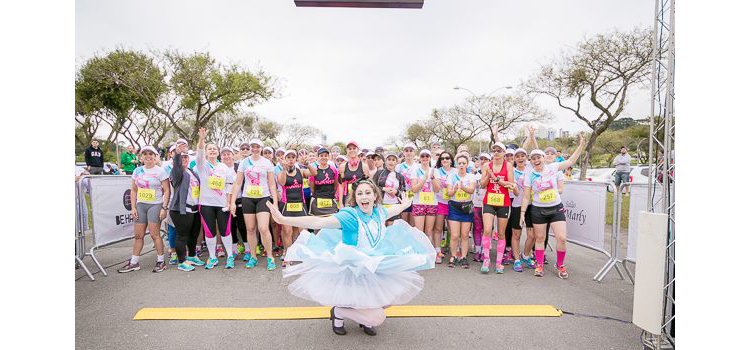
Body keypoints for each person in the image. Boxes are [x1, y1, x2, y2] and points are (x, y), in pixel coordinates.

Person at [267, 179, 435, 336]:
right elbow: (317, 222)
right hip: (351, 266)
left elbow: (395, 209)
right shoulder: (350, 216)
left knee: (390, 297)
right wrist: (283, 218)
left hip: (374, 264)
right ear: (355, 197)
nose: (364, 197)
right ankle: (338, 312)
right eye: (359, 194)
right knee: (376, 317)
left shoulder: (380, 212)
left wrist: (404, 204)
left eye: (368, 193)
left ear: (375, 195)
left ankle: (363, 313)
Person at [520, 134, 585, 278]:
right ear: (530, 161)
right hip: (538, 210)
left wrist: (581, 145)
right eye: (533, 158)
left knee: (561, 238)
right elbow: (525, 197)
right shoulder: (529, 175)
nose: (536, 160)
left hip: (556, 208)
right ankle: (539, 265)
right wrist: (522, 214)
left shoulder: (553, 168)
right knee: (540, 239)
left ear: (543, 158)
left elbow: (570, 161)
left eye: (539, 157)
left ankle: (560, 265)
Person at [117, 146, 170, 273]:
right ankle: (134, 262)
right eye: (145, 154)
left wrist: (164, 207)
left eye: (150, 154)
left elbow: (167, 190)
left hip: (155, 205)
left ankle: (161, 261)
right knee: (138, 235)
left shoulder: (160, 171)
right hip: (141, 205)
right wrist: (133, 207)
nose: (148, 156)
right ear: (141, 157)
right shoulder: (137, 171)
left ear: (155, 156)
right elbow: (134, 190)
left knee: (154, 234)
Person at [230, 138, 279, 270]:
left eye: (257, 147)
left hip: (263, 197)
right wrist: (232, 201)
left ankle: (270, 257)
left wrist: (275, 202)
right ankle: (253, 257)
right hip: (248, 198)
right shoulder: (243, 163)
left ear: (261, 148)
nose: (255, 149)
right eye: (253, 146)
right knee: (251, 229)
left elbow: (272, 184)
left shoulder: (267, 163)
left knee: (263, 228)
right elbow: (238, 183)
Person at [194, 128, 235, 269]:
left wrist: (229, 203)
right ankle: (212, 257)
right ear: (206, 152)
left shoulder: (224, 167)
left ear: (218, 152)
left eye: (214, 149)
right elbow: (199, 154)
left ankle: (230, 256)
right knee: (209, 231)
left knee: (225, 231)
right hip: (205, 204)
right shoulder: (202, 165)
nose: (212, 150)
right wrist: (202, 139)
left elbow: (229, 186)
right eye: (209, 149)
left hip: (222, 204)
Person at [167, 142, 205, 272]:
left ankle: (192, 255)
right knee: (182, 236)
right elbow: (177, 166)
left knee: (193, 234)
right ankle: (182, 261)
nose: (184, 159)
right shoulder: (176, 172)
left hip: (194, 209)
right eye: (181, 157)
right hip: (181, 209)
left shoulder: (192, 172)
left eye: (186, 157)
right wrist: (177, 153)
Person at [479, 142, 515, 274]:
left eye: (499, 150)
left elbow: (510, 184)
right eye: (494, 150)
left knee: (501, 233)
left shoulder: (509, 166)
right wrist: (488, 175)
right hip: (489, 201)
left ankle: (499, 262)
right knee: (487, 230)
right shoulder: (486, 165)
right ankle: (486, 259)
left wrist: (496, 178)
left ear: (504, 152)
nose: (496, 152)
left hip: (503, 202)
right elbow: (482, 185)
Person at [277, 149, 312, 266]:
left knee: (303, 232)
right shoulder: (281, 172)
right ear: (285, 159)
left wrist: (307, 164)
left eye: (293, 157)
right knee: (287, 231)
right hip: (287, 205)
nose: (291, 159)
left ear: (295, 159)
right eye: (288, 157)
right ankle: (288, 255)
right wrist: (283, 169)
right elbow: (281, 182)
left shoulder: (301, 172)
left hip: (300, 205)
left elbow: (314, 173)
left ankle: (302, 253)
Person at [445, 154, 475, 268]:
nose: (461, 165)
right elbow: (448, 193)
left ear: (467, 165)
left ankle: (463, 257)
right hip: (454, 207)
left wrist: (463, 187)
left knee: (465, 235)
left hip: (467, 207)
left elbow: (471, 190)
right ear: (456, 165)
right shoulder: (451, 176)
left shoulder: (471, 176)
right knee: (454, 235)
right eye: (459, 163)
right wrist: (454, 189)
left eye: (464, 163)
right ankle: (453, 256)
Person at [410, 149, 440, 260]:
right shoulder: (415, 170)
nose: (425, 158)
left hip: (432, 203)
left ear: (429, 158)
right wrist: (424, 178)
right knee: (419, 231)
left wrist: (431, 177)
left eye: (427, 156)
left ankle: (428, 255)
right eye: (422, 156)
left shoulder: (435, 171)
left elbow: (437, 189)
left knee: (428, 231)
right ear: (420, 157)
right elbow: (414, 189)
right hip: (418, 203)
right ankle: (419, 254)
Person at [509, 148, 536, 272]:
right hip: (517, 205)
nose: (520, 158)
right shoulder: (512, 172)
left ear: (526, 158)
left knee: (532, 235)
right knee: (516, 234)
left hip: (531, 205)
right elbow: (515, 193)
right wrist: (514, 188)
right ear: (514, 159)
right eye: (517, 156)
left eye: (523, 156)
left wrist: (531, 136)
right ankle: (517, 259)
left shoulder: (531, 170)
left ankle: (525, 255)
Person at [371, 152, 406, 226]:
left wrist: (396, 192)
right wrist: (383, 188)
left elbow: (403, 190)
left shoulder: (400, 176)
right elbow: (372, 187)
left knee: (391, 227)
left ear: (396, 162)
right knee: (381, 226)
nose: (391, 162)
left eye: (393, 160)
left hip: (394, 205)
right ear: (385, 161)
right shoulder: (379, 173)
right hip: (380, 204)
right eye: (389, 159)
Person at [434, 151, 456, 263]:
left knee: (453, 230)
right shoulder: (437, 171)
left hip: (453, 203)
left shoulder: (456, 171)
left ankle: (454, 252)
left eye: (447, 158)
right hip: (440, 201)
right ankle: (437, 251)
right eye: (442, 158)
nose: (444, 160)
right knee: (438, 228)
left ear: (451, 160)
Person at [338, 141, 371, 207]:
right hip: (347, 198)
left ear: (358, 150)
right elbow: (341, 186)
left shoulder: (364, 166)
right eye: (350, 149)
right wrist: (341, 203)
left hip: (361, 198)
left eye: (354, 148)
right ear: (347, 150)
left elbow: (368, 185)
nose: (352, 150)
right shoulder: (342, 166)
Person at [309, 148, 339, 216]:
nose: (324, 157)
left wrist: (330, 194)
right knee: (317, 224)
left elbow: (335, 186)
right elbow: (312, 188)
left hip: (330, 200)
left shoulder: (333, 169)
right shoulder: (314, 170)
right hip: (317, 201)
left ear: (328, 157)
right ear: (318, 157)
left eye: (325, 155)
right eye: (321, 156)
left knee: (331, 224)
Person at [471, 153, 490, 262]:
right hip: (477, 204)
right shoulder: (474, 174)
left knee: (487, 229)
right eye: (481, 158)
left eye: (486, 159)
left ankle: (485, 250)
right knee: (477, 227)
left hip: (489, 204)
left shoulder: (492, 173)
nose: (483, 161)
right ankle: (478, 250)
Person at [395, 143, 418, 226]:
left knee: (412, 225)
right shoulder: (398, 167)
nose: (408, 153)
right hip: (403, 196)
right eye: (406, 151)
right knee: (404, 224)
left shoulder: (418, 166)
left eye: (411, 151)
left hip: (415, 197)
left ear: (414, 153)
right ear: (403, 153)